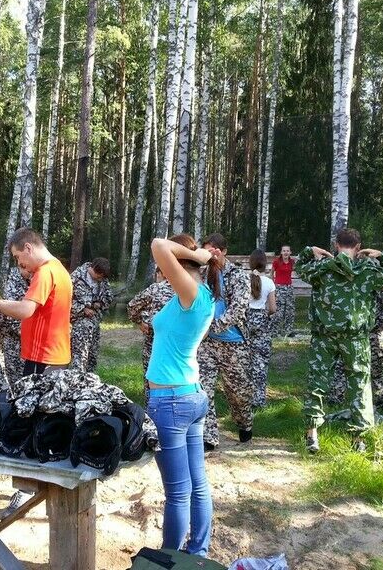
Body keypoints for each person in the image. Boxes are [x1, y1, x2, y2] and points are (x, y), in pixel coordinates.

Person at [0, 228, 72, 515]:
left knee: (29, 420)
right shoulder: (60, 269)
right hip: (54, 356)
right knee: (47, 418)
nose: (21, 265)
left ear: (29, 248)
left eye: (19, 258)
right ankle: (45, 483)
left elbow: (25, 310)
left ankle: (26, 490)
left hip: (43, 358)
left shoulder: (45, 272)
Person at [296, 229, 383, 453]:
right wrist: (381, 256)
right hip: (356, 338)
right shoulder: (368, 270)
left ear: (336, 245)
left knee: (317, 382)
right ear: (358, 247)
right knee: (359, 385)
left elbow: (299, 267)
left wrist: (309, 251)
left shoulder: (321, 269)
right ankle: (358, 439)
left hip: (324, 337)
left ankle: (312, 435)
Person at [147, 234, 219, 557]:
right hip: (189, 395)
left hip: (172, 402)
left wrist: (200, 255)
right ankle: (197, 553)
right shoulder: (198, 294)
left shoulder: (191, 292)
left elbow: (158, 245)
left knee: (178, 492)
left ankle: (169, 559)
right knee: (196, 485)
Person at [197, 233, 254, 448]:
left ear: (224, 251)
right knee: (203, 389)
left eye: (215, 250)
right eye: (207, 251)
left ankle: (244, 423)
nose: (212, 255)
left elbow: (238, 309)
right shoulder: (201, 274)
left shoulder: (238, 275)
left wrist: (213, 327)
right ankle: (209, 437)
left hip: (234, 343)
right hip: (207, 344)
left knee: (238, 392)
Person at [328, 291, 383, 416]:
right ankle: (336, 398)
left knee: (377, 369)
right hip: (351, 335)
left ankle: (381, 401)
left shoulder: (381, 286)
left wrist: (375, 327)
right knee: (341, 365)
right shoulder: (354, 284)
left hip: (373, 337)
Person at [127, 267, 175, 400]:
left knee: (151, 378)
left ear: (162, 273)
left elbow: (132, 306)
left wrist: (140, 320)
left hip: (154, 343)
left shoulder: (156, 289)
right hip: (177, 345)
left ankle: (152, 408)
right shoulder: (189, 288)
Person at [70, 257, 113, 373]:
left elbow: (109, 297)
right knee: (79, 356)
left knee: (92, 355)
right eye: (99, 276)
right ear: (93, 269)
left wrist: (100, 303)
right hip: (79, 324)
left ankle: (89, 379)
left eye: (102, 277)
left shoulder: (103, 280)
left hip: (95, 322)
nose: (100, 279)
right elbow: (65, 300)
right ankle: (77, 379)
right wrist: (83, 309)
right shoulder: (76, 277)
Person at [246, 249, 277, 408]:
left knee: (246, 361)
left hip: (246, 320)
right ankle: (259, 399)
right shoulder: (269, 283)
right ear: (265, 264)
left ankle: (245, 397)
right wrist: (265, 315)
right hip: (262, 322)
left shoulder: (245, 280)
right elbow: (272, 308)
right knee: (261, 362)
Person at [0, 265, 32, 386]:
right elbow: (11, 312)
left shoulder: (36, 279)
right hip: (15, 341)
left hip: (32, 342)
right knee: (16, 380)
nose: (30, 272)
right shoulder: (14, 282)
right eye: (27, 270)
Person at [271, 245, 296, 336]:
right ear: (281, 252)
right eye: (284, 251)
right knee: (279, 310)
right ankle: (274, 330)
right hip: (279, 287)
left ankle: (288, 330)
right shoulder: (276, 262)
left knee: (290, 309)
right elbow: (271, 273)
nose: (286, 252)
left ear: (290, 252)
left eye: (287, 251)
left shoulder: (292, 262)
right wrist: (273, 285)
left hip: (289, 287)